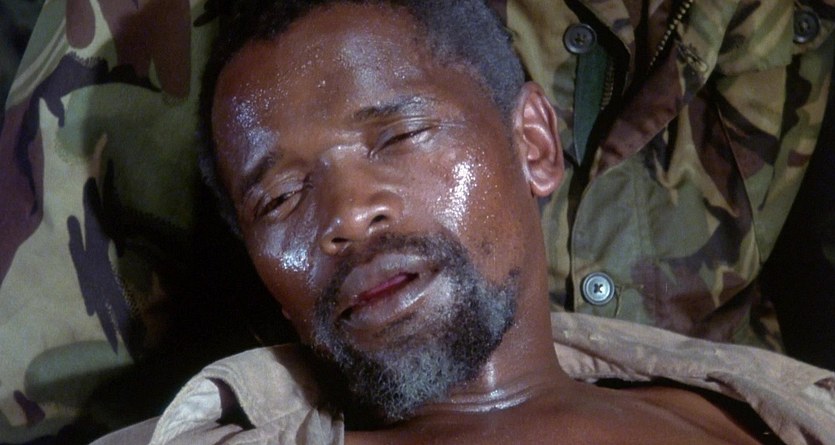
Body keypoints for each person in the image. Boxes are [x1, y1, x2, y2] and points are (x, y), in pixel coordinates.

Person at [91, 1, 835, 443]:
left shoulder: (765, 411)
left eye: (398, 136)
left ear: (533, 145)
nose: (347, 214)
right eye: (279, 198)